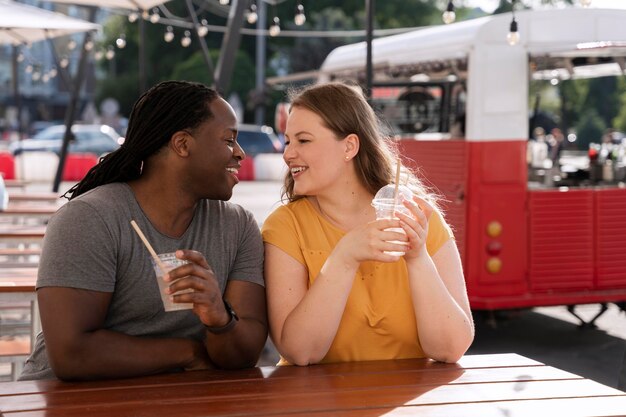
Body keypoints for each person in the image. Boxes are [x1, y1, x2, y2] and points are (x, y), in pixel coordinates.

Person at [19, 80, 267, 381]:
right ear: (183, 144)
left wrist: (220, 319)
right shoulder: (89, 218)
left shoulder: (238, 227)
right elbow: (72, 354)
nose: (240, 153)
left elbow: (246, 354)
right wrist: (188, 353)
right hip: (67, 400)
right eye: (229, 140)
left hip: (179, 399)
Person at [261, 82, 474, 366]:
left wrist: (418, 258)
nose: (288, 154)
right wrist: (344, 258)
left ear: (349, 146)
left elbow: (450, 348)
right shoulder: (285, 226)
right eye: (288, 141)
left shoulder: (419, 216)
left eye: (303, 140)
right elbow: (301, 352)